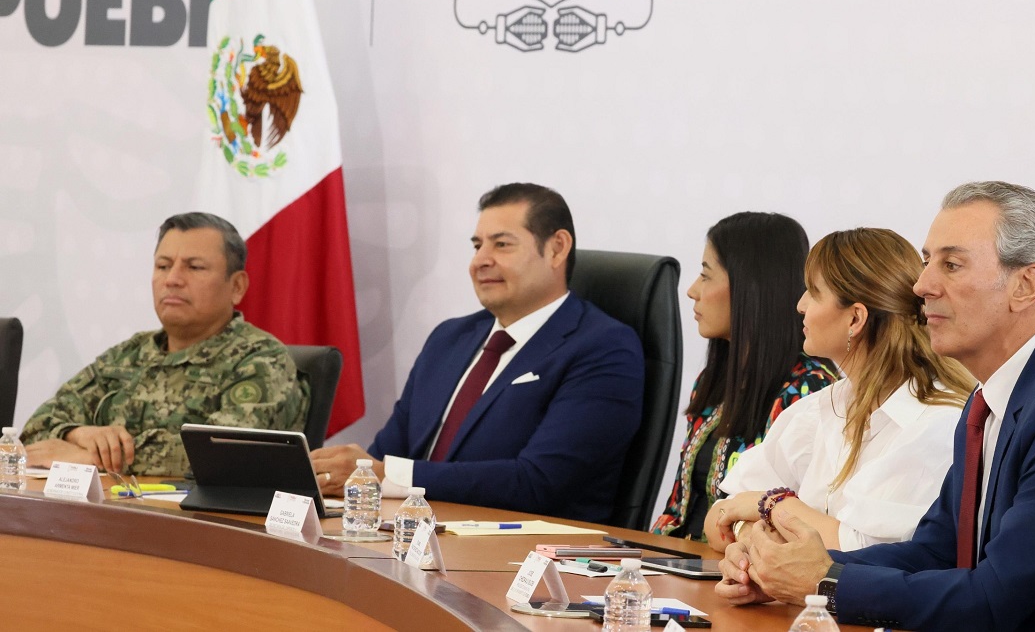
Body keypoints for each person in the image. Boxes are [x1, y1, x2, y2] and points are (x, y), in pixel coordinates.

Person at [716, 182, 1035, 631]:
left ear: (1025, 286)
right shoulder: (990, 398)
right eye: (927, 262)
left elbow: (994, 598)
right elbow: (934, 553)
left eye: (952, 265)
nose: (922, 285)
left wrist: (823, 583)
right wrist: (783, 570)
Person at [311, 183, 643, 523]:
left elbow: (538, 483)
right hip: (407, 537)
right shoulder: (448, 339)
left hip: (521, 556)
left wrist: (386, 476)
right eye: (477, 245)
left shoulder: (604, 348)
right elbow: (386, 455)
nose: (480, 261)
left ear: (557, 249)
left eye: (501, 244)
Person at [705, 228, 975, 552]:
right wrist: (751, 543)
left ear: (855, 319)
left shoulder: (934, 426)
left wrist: (774, 505)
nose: (801, 305)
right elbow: (722, 511)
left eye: (813, 292)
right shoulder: (820, 407)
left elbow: (861, 552)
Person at [21, 212, 308, 476]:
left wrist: (98, 459)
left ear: (236, 286)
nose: (172, 280)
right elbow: (34, 434)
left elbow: (226, 452)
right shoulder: (130, 354)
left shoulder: (260, 359)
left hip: (204, 525)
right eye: (163, 265)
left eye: (194, 267)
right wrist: (78, 434)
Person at [650, 212, 837, 541]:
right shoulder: (714, 378)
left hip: (736, 572)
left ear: (750, 286)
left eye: (706, 276)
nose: (692, 290)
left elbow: (787, 528)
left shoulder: (807, 389)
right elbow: (678, 510)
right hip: (679, 562)